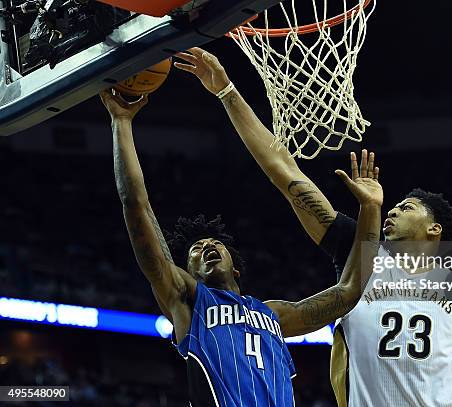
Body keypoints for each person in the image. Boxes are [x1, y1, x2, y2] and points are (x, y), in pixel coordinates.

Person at [174, 47, 452, 407]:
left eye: (406, 207)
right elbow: (286, 174)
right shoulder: (357, 254)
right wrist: (228, 91)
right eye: (393, 205)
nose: (392, 211)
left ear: (435, 229)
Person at [99, 88, 383, 407]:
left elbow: (350, 290)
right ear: (188, 271)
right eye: (196, 249)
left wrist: (370, 208)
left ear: (235, 266)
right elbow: (136, 205)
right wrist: (121, 121)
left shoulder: (274, 313)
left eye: (215, 242)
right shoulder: (187, 301)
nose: (207, 245)